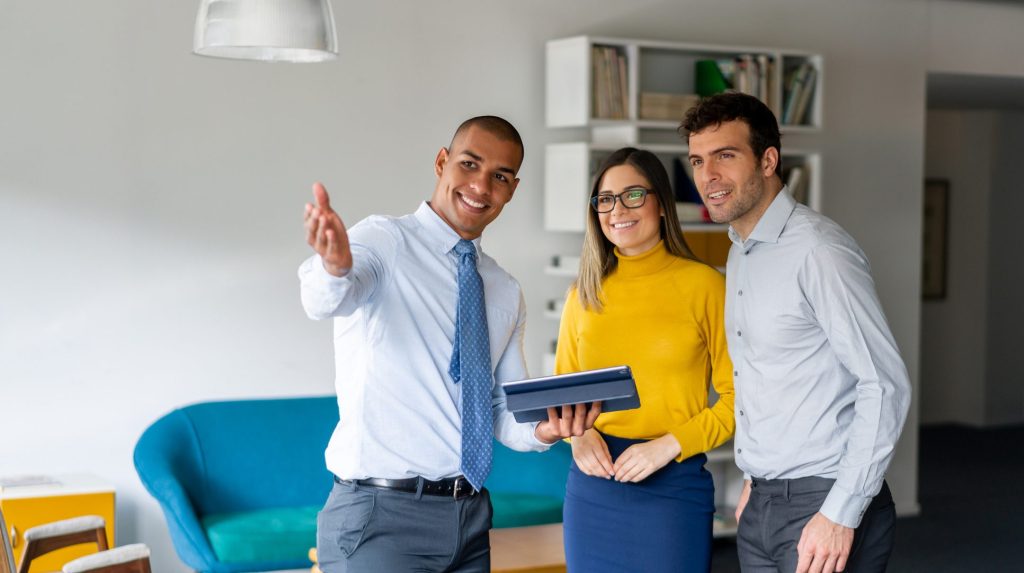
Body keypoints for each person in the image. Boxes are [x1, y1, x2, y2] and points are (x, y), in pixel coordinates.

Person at [299, 115, 598, 573]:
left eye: (499, 176)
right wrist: (334, 266)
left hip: (471, 519)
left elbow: (501, 410)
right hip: (381, 515)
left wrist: (546, 431)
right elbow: (326, 300)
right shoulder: (385, 239)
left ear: (512, 189)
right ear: (442, 163)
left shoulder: (502, 288)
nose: (481, 185)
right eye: (469, 164)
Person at [681, 92, 912, 573]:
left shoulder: (819, 250)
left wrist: (839, 513)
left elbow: (885, 384)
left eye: (725, 156)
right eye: (698, 160)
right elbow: (765, 377)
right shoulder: (741, 251)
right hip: (763, 501)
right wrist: (752, 480)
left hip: (825, 500)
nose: (708, 176)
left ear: (769, 160)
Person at [555, 147, 736, 573]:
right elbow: (562, 397)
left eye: (633, 195)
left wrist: (669, 446)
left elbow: (739, 399)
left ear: (660, 203)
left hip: (672, 485)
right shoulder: (583, 294)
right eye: (605, 199)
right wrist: (579, 438)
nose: (617, 209)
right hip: (592, 486)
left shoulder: (705, 286)